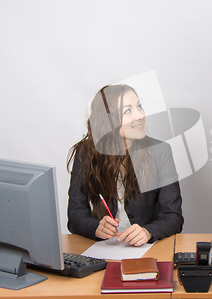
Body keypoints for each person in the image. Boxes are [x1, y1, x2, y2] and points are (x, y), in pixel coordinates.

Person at [67, 84, 183, 246]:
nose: (140, 116)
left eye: (139, 107)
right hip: (103, 248)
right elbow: (75, 215)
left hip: (145, 249)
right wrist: (96, 228)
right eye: (128, 111)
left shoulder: (160, 151)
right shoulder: (85, 152)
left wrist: (148, 231)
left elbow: (173, 217)